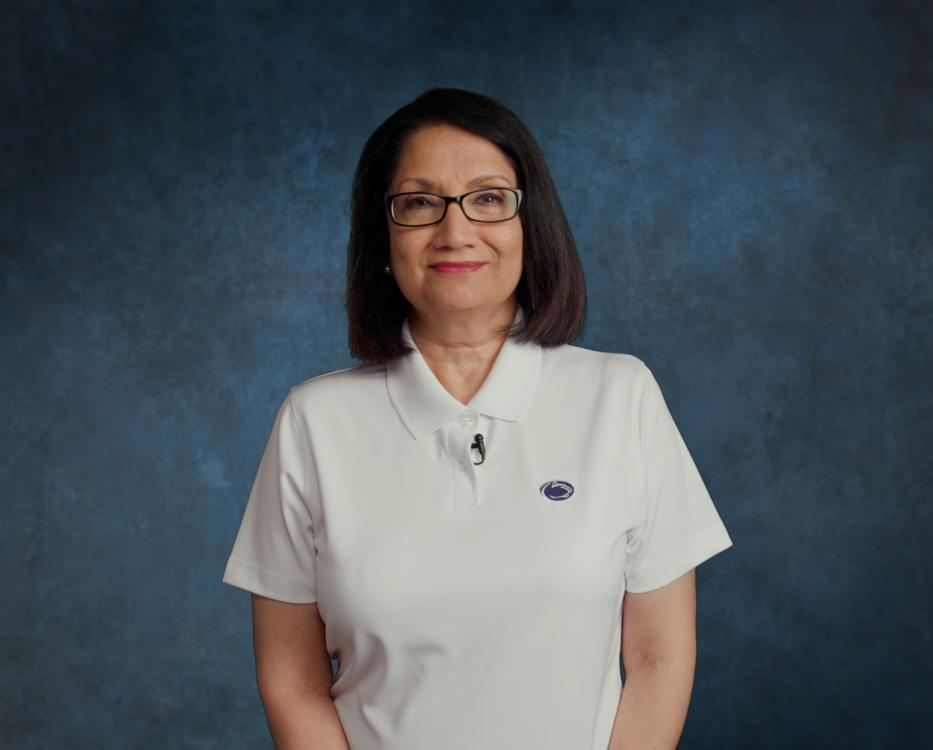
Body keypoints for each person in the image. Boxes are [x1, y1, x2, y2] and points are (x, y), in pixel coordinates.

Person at [222, 87, 733, 750]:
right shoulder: (314, 422)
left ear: (532, 225)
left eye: (489, 198)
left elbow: (660, 658)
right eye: (419, 202)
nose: (455, 230)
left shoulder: (620, 397)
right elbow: (291, 681)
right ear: (383, 237)